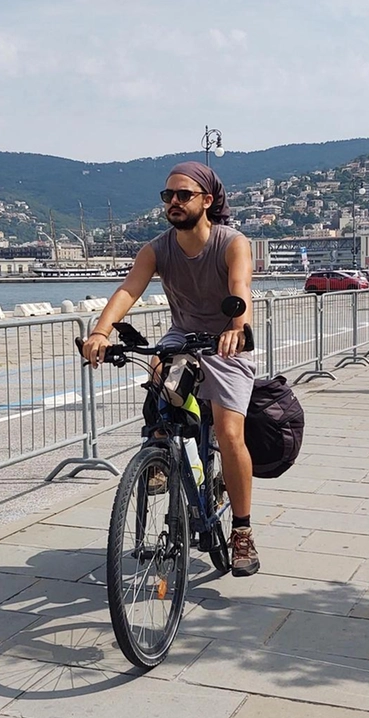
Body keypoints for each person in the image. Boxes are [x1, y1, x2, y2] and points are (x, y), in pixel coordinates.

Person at [81, 161, 260, 577]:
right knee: (160, 381)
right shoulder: (157, 249)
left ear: (207, 200)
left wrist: (238, 327)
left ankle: (242, 532)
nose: (174, 203)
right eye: (168, 196)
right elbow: (129, 288)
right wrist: (101, 332)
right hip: (182, 337)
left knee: (230, 433)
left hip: (227, 341)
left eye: (183, 195)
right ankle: (161, 458)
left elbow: (240, 288)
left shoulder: (232, 243)